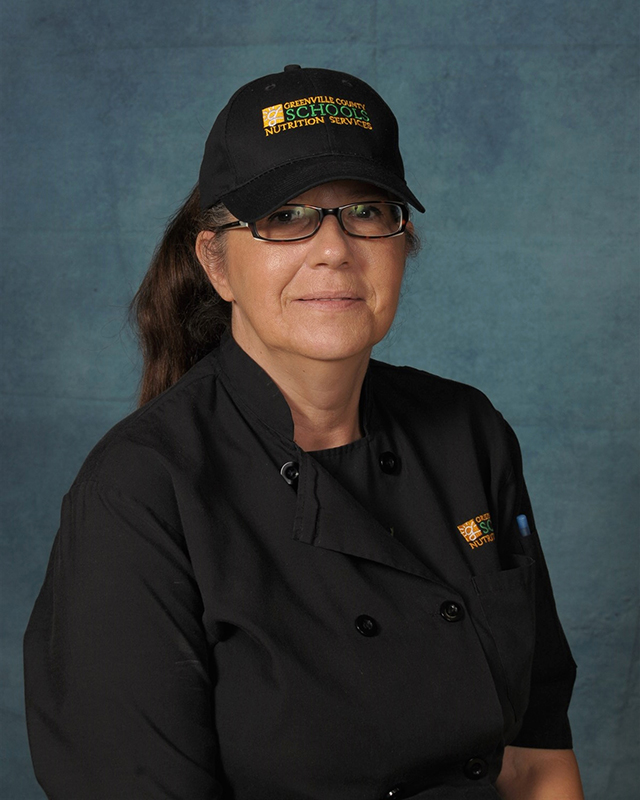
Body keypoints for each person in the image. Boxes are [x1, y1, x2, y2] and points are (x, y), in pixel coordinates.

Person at [24, 65, 584, 799]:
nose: (334, 249)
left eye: (366, 211)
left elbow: (536, 757)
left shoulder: (469, 434)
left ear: (403, 242)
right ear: (216, 263)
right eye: (285, 215)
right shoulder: (137, 495)